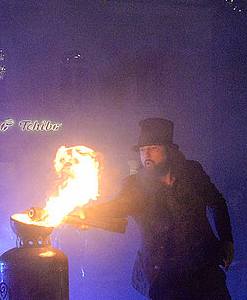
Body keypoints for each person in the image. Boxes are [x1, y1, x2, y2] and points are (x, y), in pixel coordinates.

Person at [81, 118, 234, 300]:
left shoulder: (192, 174)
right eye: (142, 150)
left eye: (153, 148)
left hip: (204, 271)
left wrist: (227, 240)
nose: (146, 155)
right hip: (163, 276)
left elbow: (217, 203)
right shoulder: (136, 185)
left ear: (168, 150)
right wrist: (86, 214)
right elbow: (117, 207)